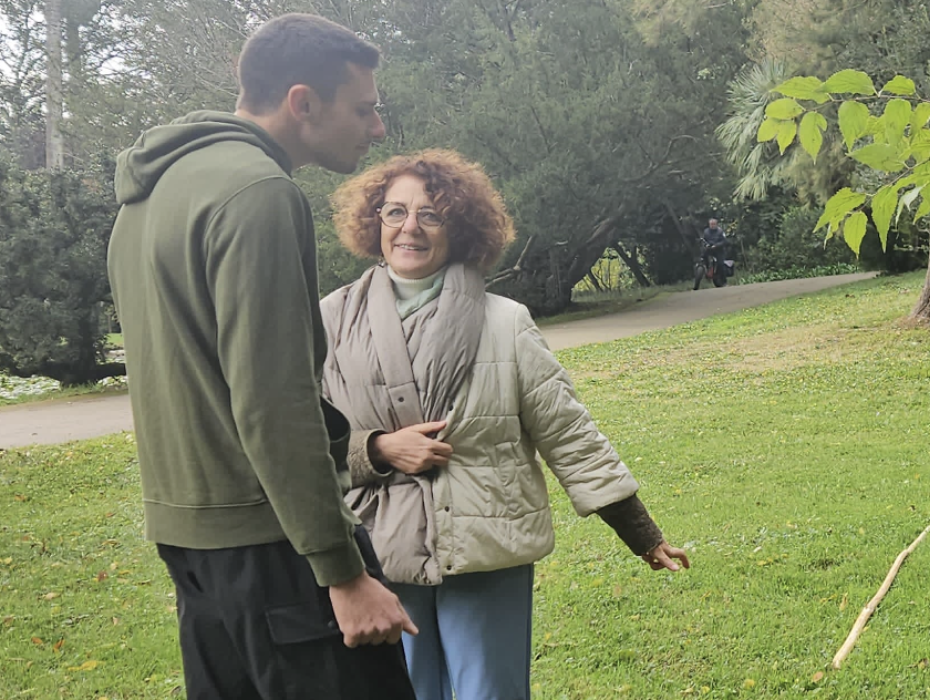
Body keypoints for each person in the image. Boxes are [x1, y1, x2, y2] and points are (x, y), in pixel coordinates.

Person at [105, 13, 416, 699]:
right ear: (302, 102)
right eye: (364, 109)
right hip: (275, 543)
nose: (377, 130)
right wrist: (340, 570)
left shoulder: (149, 195)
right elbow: (274, 399)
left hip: (192, 541)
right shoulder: (258, 193)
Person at [321, 149, 692, 700]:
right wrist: (376, 450)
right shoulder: (330, 319)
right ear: (373, 220)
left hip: (486, 544)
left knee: (488, 693)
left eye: (432, 214)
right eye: (395, 212)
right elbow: (301, 437)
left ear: (461, 226)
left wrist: (640, 532)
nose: (410, 228)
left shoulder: (505, 321)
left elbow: (568, 433)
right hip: (378, 550)